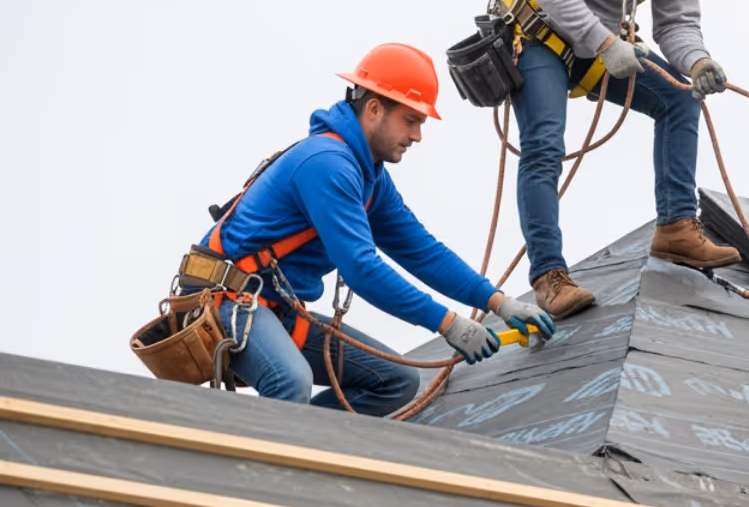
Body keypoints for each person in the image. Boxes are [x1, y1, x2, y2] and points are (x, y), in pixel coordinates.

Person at [172, 43, 556, 416]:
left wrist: (496, 302)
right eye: (411, 120)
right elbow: (361, 268)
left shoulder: (369, 176)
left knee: (396, 382)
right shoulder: (328, 164)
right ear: (374, 108)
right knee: (289, 381)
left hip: (273, 308)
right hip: (225, 298)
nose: (417, 136)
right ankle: (260, 470)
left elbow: (421, 250)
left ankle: (299, 443)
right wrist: (447, 322)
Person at [488, 0, 743, 319]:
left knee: (677, 97)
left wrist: (696, 61)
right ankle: (549, 277)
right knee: (543, 143)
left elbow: (677, 23)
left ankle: (675, 228)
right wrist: (604, 42)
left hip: (599, 48)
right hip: (537, 35)